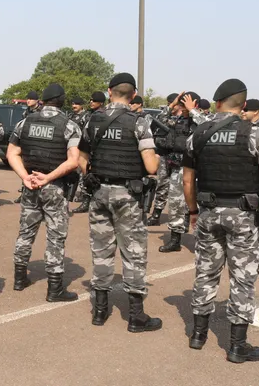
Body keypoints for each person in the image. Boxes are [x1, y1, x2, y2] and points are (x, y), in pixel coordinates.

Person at [181, 78, 259, 362]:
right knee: (243, 278)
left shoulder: (198, 134)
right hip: (243, 216)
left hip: (208, 212)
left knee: (205, 273)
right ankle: (238, 346)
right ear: (243, 104)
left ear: (217, 103)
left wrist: (192, 212)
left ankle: (198, 335)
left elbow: (187, 181)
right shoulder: (256, 135)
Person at [78, 73, 162, 332]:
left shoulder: (93, 119)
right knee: (133, 253)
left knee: (101, 251)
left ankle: (99, 312)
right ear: (134, 95)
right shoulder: (139, 123)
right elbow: (150, 165)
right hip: (128, 196)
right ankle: (136, 317)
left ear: (109, 90)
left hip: (99, 193)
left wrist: (90, 176)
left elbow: (81, 157)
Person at [7, 83, 81, 301]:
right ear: (61, 100)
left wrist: (25, 177)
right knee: (55, 237)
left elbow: (12, 153)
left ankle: (19, 279)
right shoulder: (69, 125)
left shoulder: (25, 122)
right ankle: (54, 289)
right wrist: (48, 178)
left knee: (25, 233)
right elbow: (73, 160)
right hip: (54, 187)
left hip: (30, 185)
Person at [155, 92, 200, 253]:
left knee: (201, 205)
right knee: (175, 204)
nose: (182, 107)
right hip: (178, 167)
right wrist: (172, 105)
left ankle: (204, 241)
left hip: (199, 169)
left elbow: (208, 126)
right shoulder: (178, 120)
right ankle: (175, 240)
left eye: (184, 104)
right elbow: (159, 121)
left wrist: (193, 111)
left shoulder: (201, 121)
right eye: (181, 104)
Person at [146, 93, 181, 226]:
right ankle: (156, 215)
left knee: (179, 191)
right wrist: (171, 106)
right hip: (165, 156)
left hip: (181, 160)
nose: (169, 106)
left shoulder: (187, 120)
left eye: (170, 103)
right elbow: (160, 117)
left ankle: (182, 219)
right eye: (168, 104)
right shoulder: (168, 118)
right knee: (162, 186)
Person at [70, 91, 107, 214]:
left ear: (101, 102)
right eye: (90, 100)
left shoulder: (105, 115)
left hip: (99, 150)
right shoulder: (89, 115)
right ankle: (86, 201)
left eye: (94, 100)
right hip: (86, 147)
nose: (91, 102)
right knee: (84, 175)